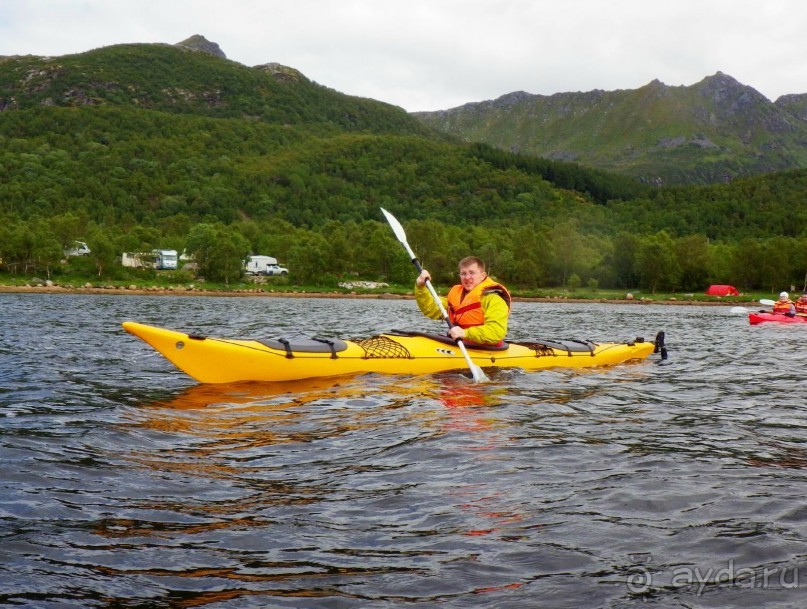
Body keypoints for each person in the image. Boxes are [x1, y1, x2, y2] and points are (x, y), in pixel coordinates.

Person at [415, 256, 511, 346]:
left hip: (485, 348)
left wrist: (465, 333)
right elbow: (431, 309)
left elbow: (496, 331)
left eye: (472, 273)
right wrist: (421, 286)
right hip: (460, 344)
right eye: (463, 274)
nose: (467, 277)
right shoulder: (455, 296)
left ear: (483, 275)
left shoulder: (494, 299)